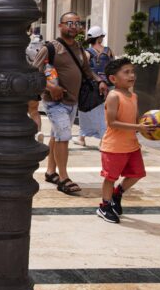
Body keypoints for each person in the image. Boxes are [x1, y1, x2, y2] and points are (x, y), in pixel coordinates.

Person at [32, 12, 109, 195]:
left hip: (72, 100)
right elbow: (33, 73)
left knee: (57, 135)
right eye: (69, 23)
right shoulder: (50, 48)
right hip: (54, 102)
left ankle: (51, 172)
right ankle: (64, 178)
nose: (73, 26)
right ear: (61, 26)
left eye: (77, 23)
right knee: (64, 136)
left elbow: (87, 71)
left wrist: (99, 80)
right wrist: (51, 87)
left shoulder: (80, 49)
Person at [96, 58, 154, 223]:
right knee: (110, 178)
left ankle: (117, 193)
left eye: (132, 71)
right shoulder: (113, 96)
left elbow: (136, 120)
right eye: (126, 72)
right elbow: (112, 122)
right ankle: (104, 206)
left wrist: (148, 125)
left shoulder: (133, 96)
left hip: (131, 145)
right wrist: (138, 126)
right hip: (114, 146)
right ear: (113, 79)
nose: (131, 75)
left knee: (137, 174)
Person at [76, 26, 114, 147]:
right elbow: (114, 67)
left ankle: (82, 138)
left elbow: (82, 68)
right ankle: (103, 140)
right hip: (108, 86)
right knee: (105, 113)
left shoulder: (87, 52)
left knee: (86, 111)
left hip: (91, 87)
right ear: (100, 38)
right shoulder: (109, 51)